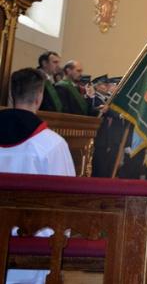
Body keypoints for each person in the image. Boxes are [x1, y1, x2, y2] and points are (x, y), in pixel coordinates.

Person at [0, 68, 75, 284]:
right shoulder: (52, 144)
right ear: (39, 97)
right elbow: (67, 201)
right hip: (33, 242)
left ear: (11, 95)